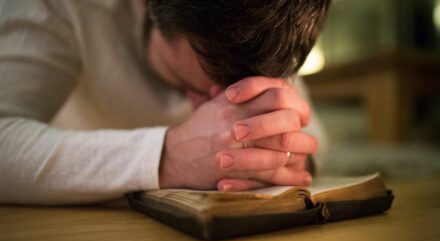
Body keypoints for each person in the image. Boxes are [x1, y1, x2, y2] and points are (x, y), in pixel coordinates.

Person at [0, 0, 329, 204]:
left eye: (248, 91)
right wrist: (167, 157)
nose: (222, 111)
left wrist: (286, 155)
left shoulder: (271, 27)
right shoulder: (63, 7)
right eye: (201, 81)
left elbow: (317, 137)